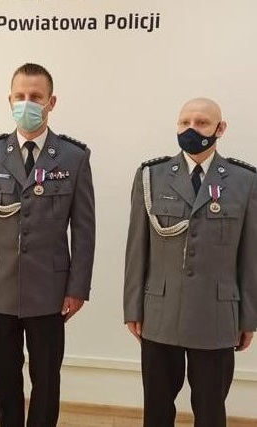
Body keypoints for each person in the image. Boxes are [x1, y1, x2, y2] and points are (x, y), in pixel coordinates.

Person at [0, 63, 95, 427]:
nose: (27, 103)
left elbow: (84, 230)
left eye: (35, 97)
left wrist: (77, 288)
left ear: (51, 102)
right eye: (20, 96)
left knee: (46, 378)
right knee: (4, 377)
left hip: (50, 290)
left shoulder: (74, 157)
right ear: (9, 100)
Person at [124, 97, 257, 427]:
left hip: (217, 316)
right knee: (157, 409)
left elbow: (250, 255)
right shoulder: (151, 176)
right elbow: (137, 248)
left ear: (219, 129)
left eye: (201, 123)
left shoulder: (245, 181)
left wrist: (248, 317)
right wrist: (133, 308)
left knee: (211, 409)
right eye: (185, 122)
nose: (191, 129)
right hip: (161, 311)